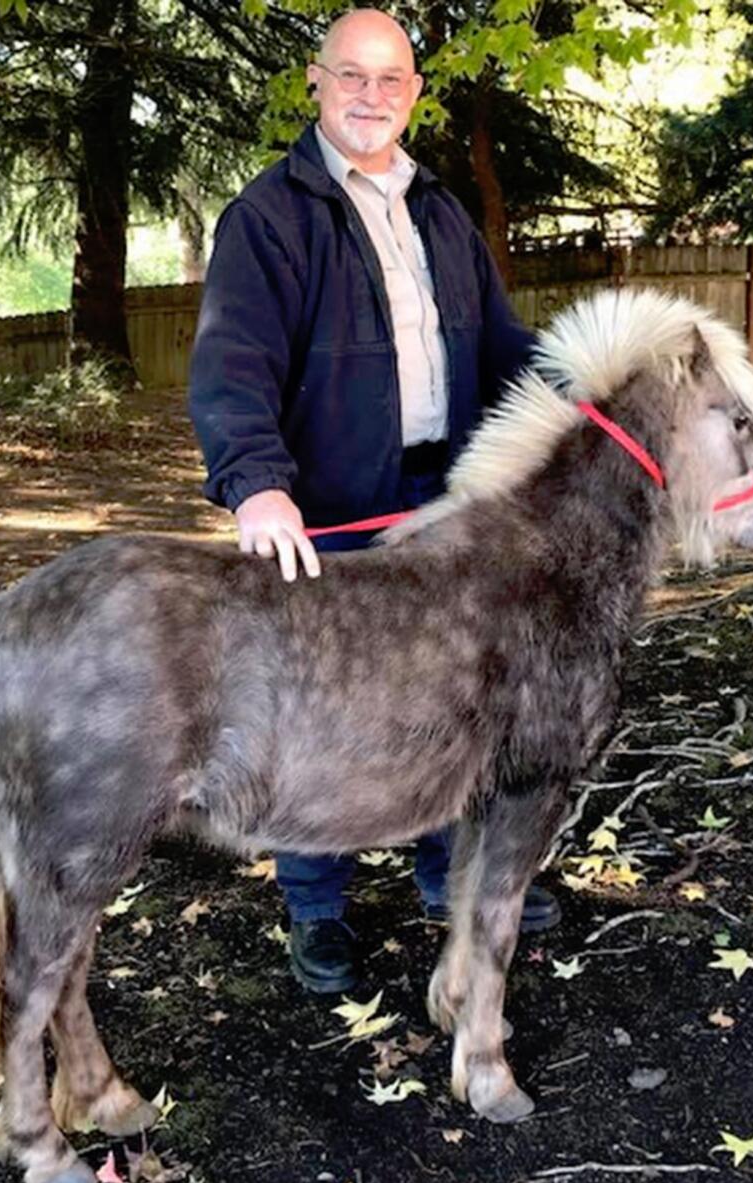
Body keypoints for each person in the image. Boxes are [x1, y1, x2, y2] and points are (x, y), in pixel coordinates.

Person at [188, 8, 561, 995]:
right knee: (320, 718)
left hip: (445, 504)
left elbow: (496, 348)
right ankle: (317, 911)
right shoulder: (268, 218)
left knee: (448, 702)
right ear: (315, 83)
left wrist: (583, 381)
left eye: (389, 79)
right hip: (330, 518)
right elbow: (232, 367)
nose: (369, 95)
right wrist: (257, 486)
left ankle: (446, 880)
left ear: (413, 93)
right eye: (350, 76)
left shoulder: (438, 211)